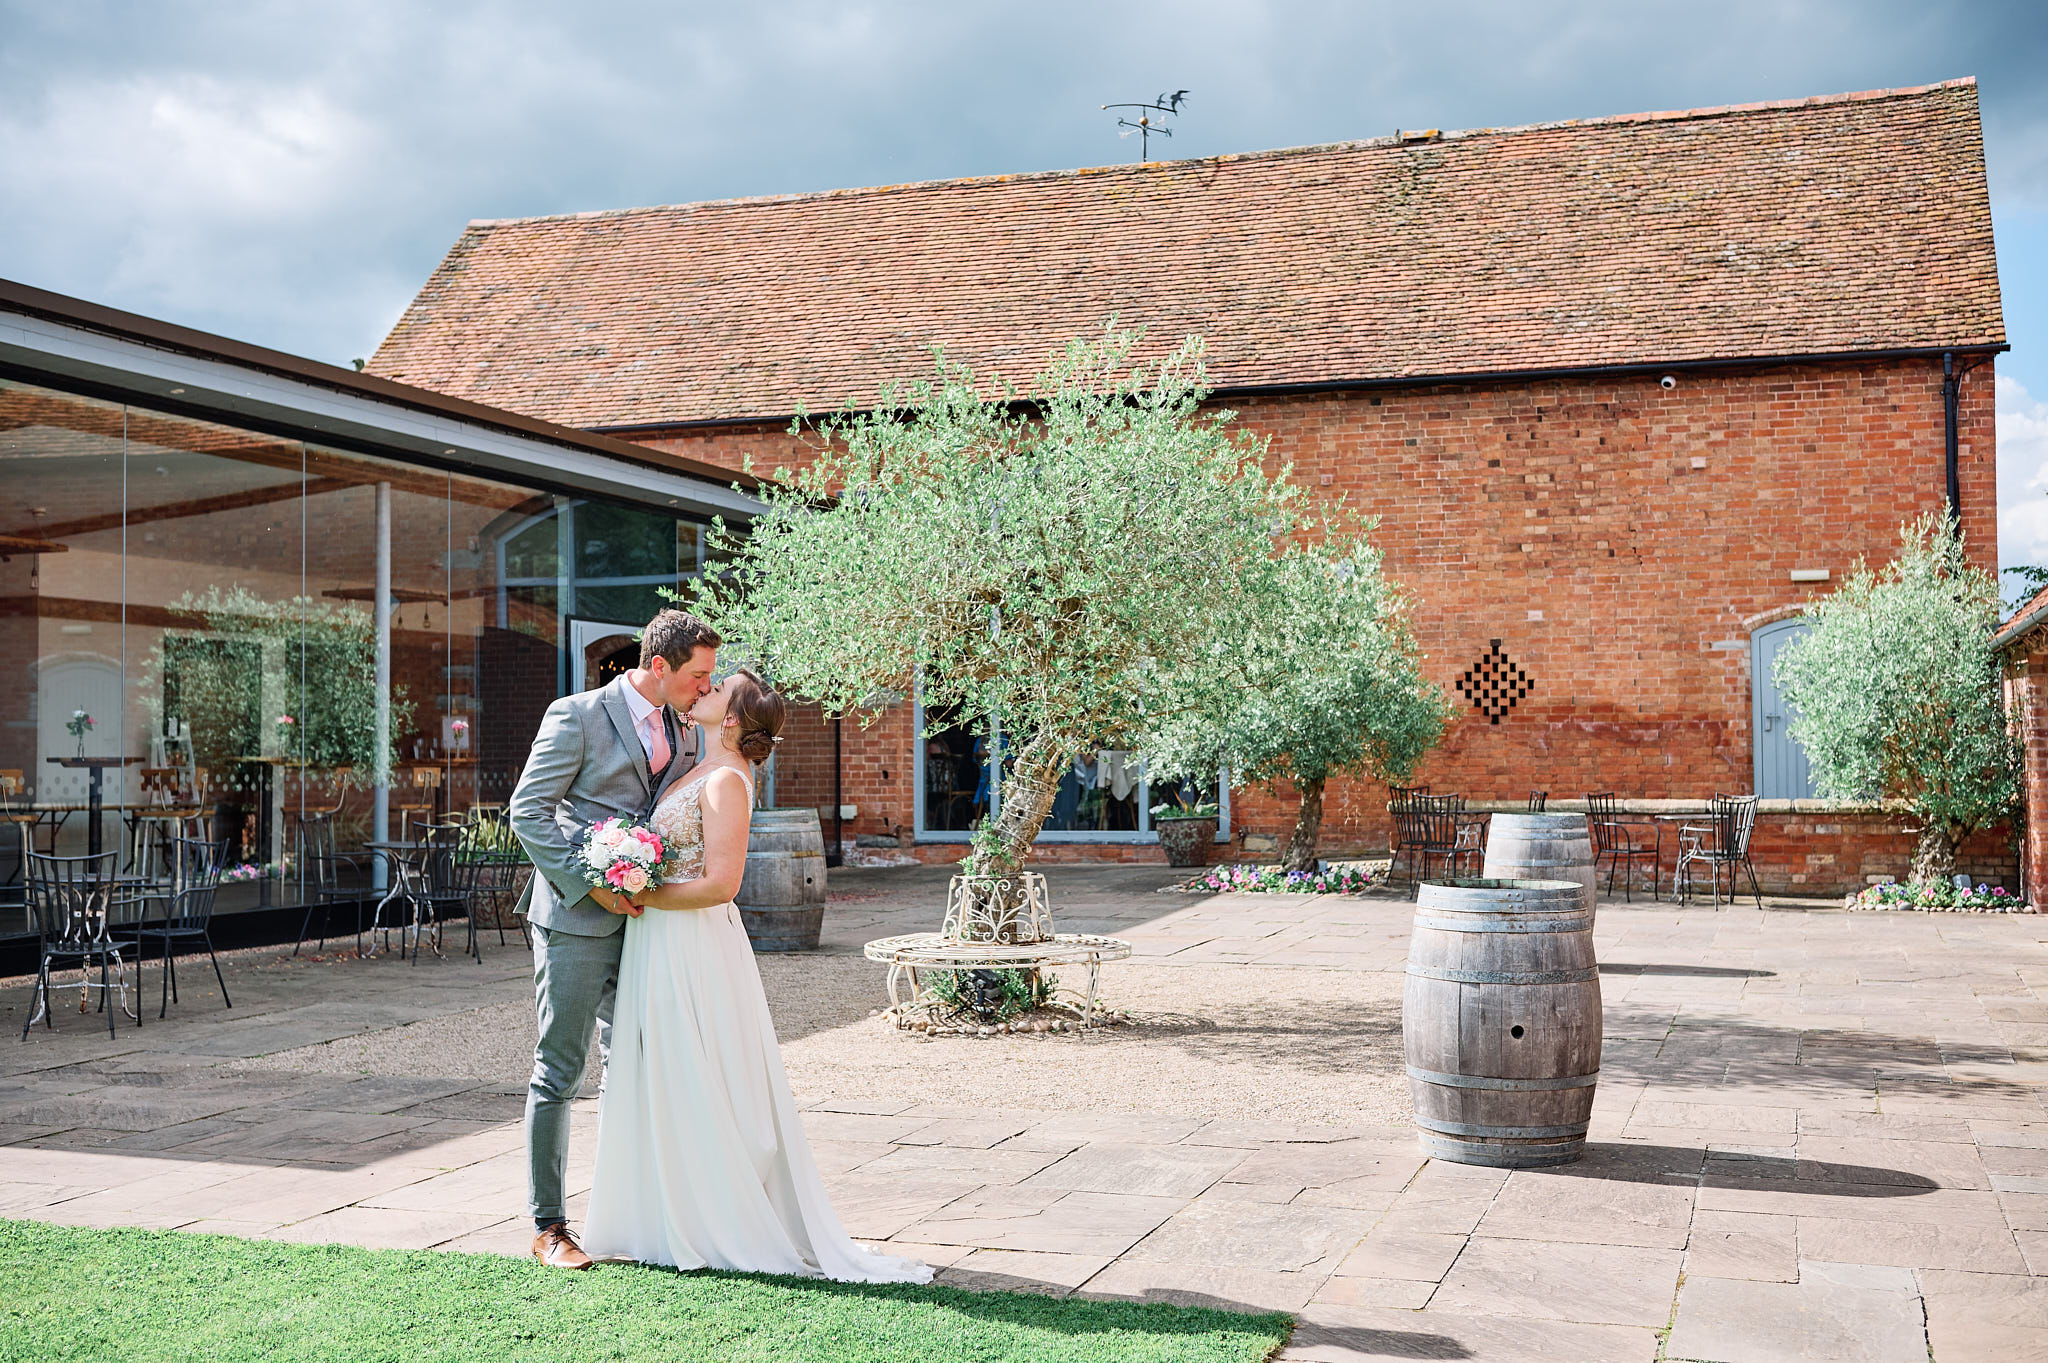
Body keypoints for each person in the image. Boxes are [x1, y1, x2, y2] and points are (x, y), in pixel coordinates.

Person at [582, 668, 932, 1284]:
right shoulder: (697, 766)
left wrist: (636, 890)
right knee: (663, 1067)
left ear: (736, 717)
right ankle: (658, 1212)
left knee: (696, 1068)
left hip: (689, 941)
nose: (705, 691)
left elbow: (723, 884)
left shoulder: (724, 783)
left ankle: (709, 1214)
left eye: (719, 690)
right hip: (659, 938)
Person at [509, 608, 718, 1270]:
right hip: (574, 917)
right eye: (697, 677)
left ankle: (636, 1214)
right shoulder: (576, 714)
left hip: (648, 923)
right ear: (658, 667)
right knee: (559, 1068)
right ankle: (549, 1226)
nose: (705, 690)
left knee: (635, 1063)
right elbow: (527, 810)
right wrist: (588, 881)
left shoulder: (687, 727)